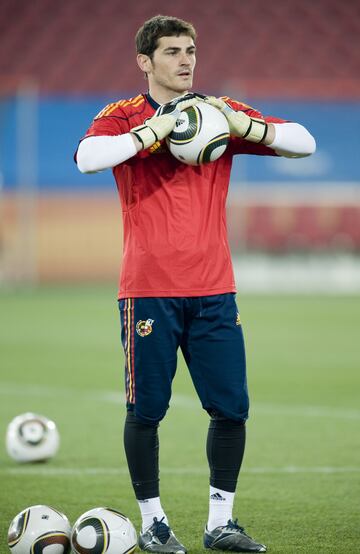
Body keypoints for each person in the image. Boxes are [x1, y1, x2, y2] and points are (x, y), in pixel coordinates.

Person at [75, 14, 316, 554]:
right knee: (146, 411)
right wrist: (152, 133)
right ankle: (154, 524)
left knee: (231, 408)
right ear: (145, 61)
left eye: (191, 50)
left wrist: (247, 127)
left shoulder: (217, 113)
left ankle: (220, 524)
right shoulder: (123, 115)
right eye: (172, 52)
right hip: (148, 289)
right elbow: (89, 159)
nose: (186, 61)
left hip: (214, 289)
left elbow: (304, 142)